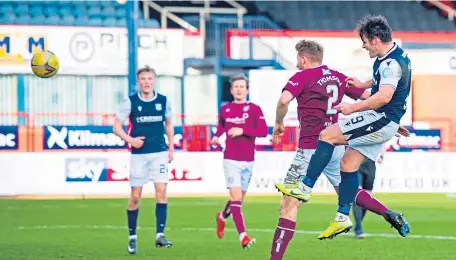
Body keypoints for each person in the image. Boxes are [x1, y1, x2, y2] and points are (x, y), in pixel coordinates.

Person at [275, 15, 412, 240]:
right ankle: (348, 216)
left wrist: (355, 108)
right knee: (347, 168)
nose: (363, 46)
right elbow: (381, 86)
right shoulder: (391, 56)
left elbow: (384, 96)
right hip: (375, 126)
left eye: (365, 42)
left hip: (321, 143)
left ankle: (305, 187)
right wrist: (366, 89)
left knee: (325, 138)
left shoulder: (303, 76)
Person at [113, 66, 174, 254]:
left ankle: (160, 235)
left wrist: (171, 148)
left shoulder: (163, 101)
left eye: (150, 79)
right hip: (139, 156)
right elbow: (116, 127)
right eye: (143, 79)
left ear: (154, 81)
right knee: (135, 197)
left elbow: (169, 124)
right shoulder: (130, 102)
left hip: (159, 153)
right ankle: (132, 237)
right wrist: (130, 140)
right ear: (138, 82)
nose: (147, 82)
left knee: (161, 193)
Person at [212, 73, 268, 249]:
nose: (238, 89)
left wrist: (242, 130)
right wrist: (215, 137)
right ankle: (243, 236)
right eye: (236, 87)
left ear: (247, 90)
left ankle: (222, 216)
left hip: (248, 160)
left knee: (238, 201)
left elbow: (263, 131)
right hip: (231, 159)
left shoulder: (254, 109)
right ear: (231, 90)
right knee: (236, 198)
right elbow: (221, 126)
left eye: (242, 87)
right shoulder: (226, 109)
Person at [353, 144, 387, 239]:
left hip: (370, 165)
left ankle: (357, 225)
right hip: (356, 163)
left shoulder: (377, 130)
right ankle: (358, 228)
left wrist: (381, 155)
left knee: (367, 198)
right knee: (358, 195)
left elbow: (383, 142)